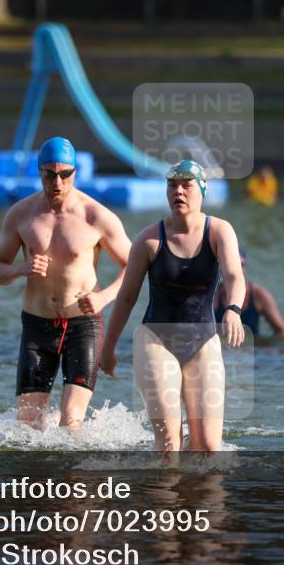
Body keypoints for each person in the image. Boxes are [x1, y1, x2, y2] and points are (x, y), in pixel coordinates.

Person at [0, 136, 132, 431]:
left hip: (83, 326)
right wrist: (21, 269)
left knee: (71, 420)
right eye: (50, 174)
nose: (58, 182)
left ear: (75, 172)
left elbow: (135, 267)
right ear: (39, 172)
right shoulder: (21, 214)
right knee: (27, 425)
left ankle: (70, 454)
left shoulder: (96, 216)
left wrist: (103, 297)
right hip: (37, 326)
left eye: (65, 174)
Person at [100, 160, 246, 453]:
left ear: (202, 190)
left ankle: (192, 481)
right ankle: (165, 483)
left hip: (203, 340)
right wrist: (108, 348)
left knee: (208, 447)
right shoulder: (149, 240)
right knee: (169, 447)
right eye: (172, 185)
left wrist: (233, 309)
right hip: (156, 341)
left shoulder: (219, 231)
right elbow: (127, 297)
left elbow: (234, 276)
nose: (178, 191)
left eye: (186, 185)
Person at [214, 249, 284, 342]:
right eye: (229, 265)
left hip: (253, 346)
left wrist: (274, 348)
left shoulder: (258, 295)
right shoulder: (214, 294)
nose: (235, 269)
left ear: (246, 269)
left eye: (240, 265)